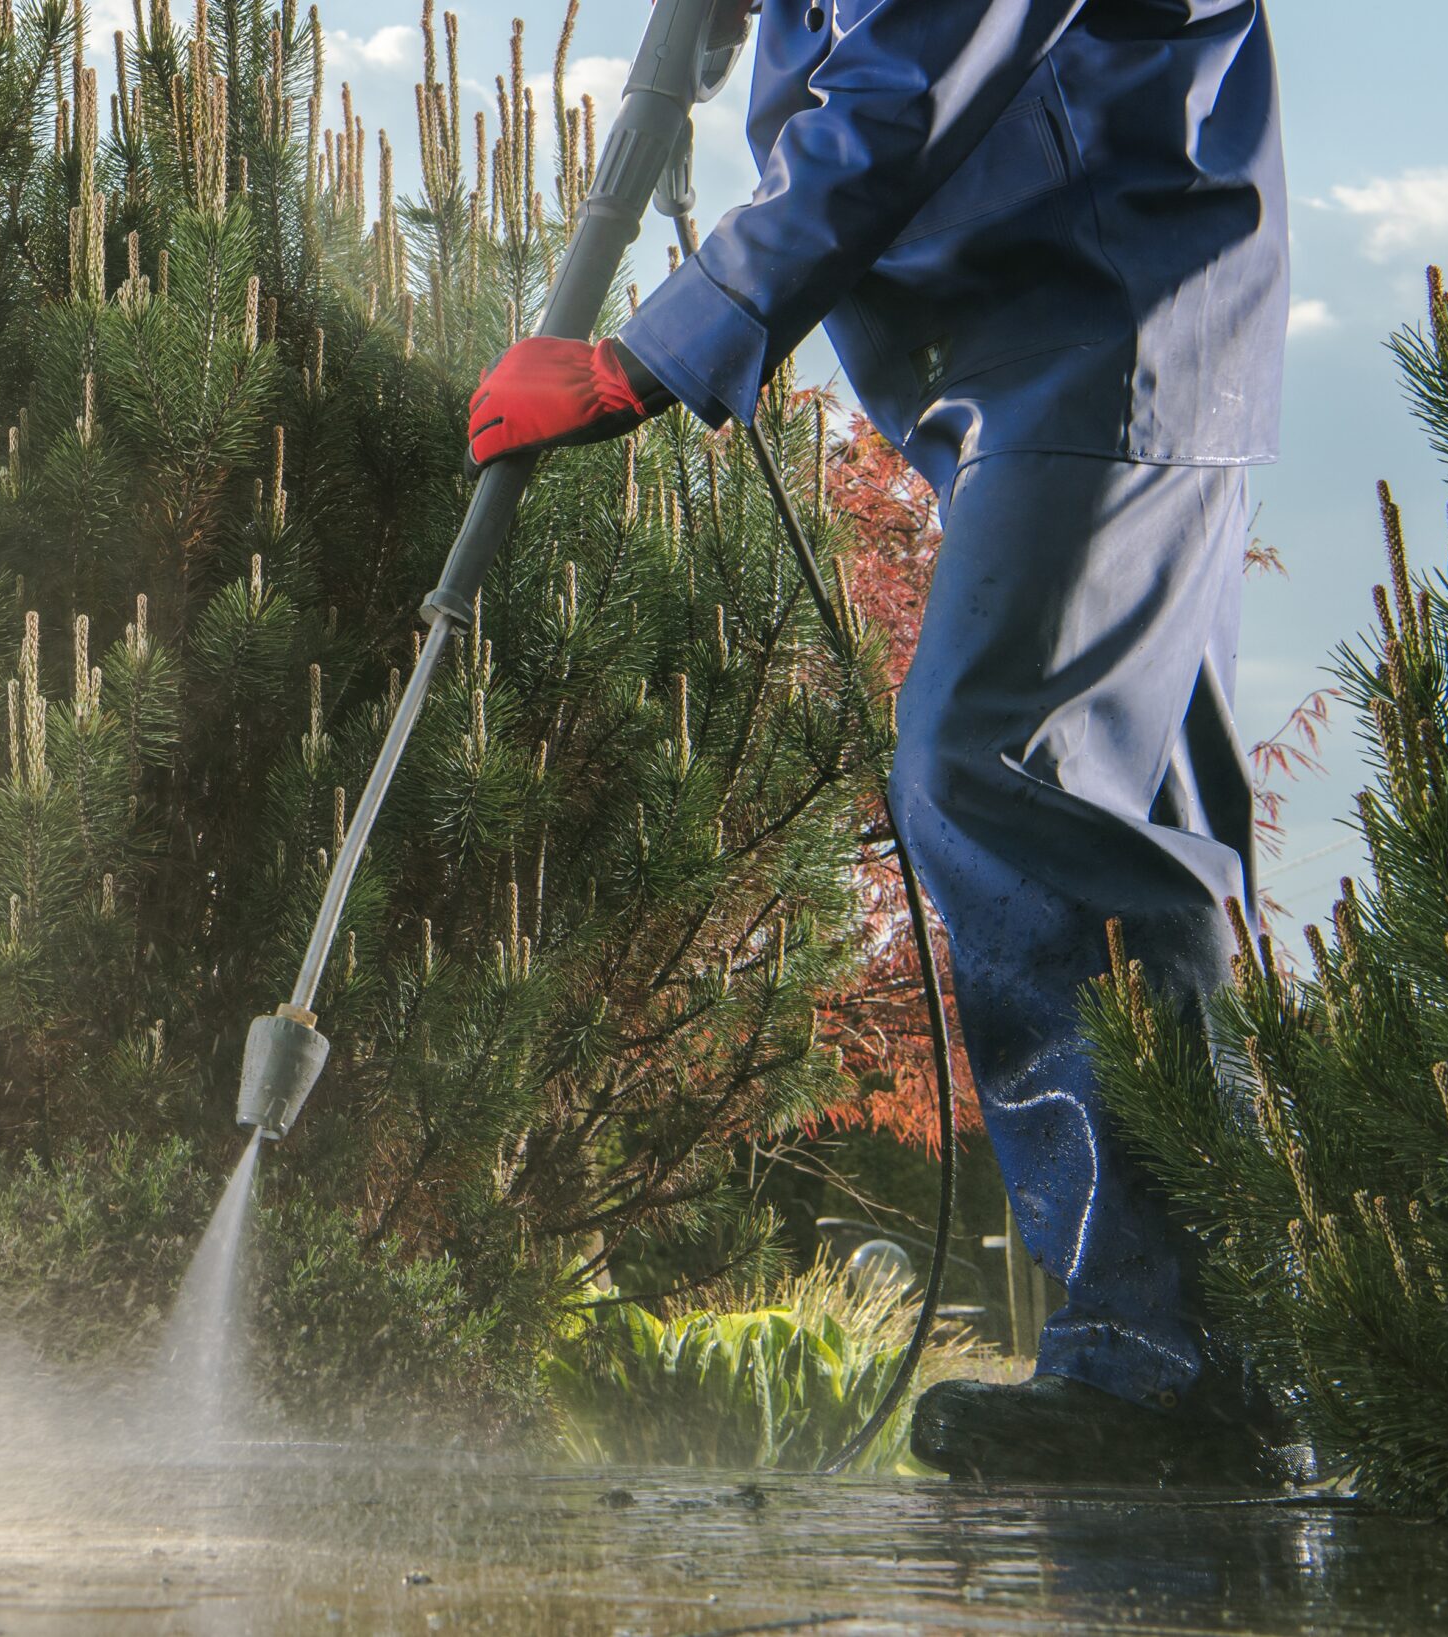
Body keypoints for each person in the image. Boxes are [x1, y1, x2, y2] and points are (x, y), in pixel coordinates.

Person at [468, 0, 1289, 1486]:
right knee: (1133, 822)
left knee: (994, 769)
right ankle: (1214, 1353)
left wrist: (652, 356)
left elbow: (909, 80)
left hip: (1101, 306)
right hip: (1053, 315)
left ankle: (1165, 1363)